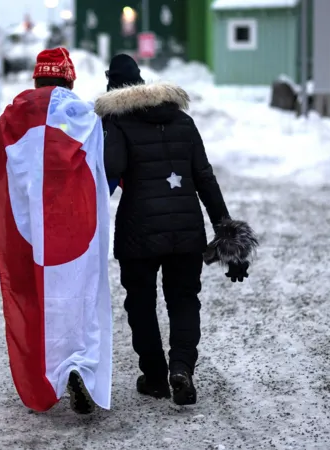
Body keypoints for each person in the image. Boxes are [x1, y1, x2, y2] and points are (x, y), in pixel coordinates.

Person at [95, 54, 258, 406]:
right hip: (186, 231)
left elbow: (112, 166)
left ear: (113, 89)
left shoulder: (117, 123)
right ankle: (181, 368)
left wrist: (107, 125)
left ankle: (154, 377)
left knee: (141, 303)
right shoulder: (182, 121)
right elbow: (205, 179)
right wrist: (229, 240)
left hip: (139, 232)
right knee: (184, 300)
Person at [0, 48, 113, 416]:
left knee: (38, 300)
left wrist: (25, 186)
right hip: (75, 228)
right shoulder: (85, 116)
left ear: (36, 78)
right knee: (81, 299)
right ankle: (79, 366)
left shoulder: (14, 116)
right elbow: (106, 171)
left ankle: (51, 374)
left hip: (31, 230)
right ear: (69, 79)